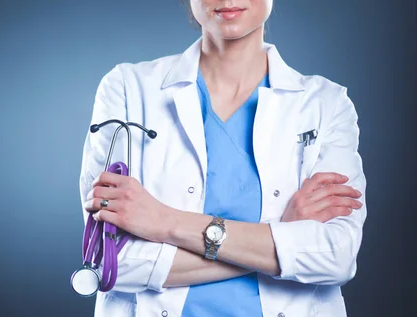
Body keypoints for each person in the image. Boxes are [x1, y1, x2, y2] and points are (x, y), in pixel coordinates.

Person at [78, 0, 367, 316]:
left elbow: (336, 256)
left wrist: (164, 221)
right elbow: (112, 262)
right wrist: (281, 236)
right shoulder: (127, 89)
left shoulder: (326, 104)